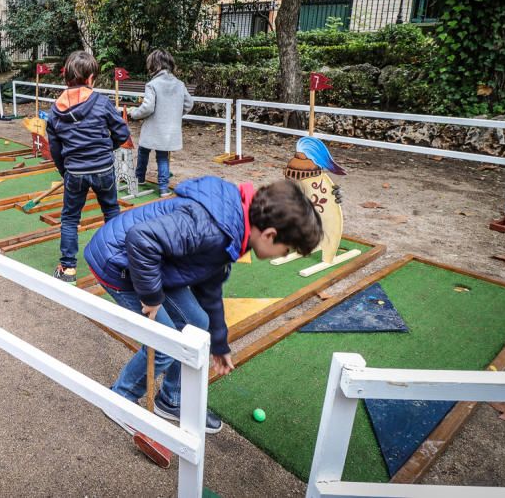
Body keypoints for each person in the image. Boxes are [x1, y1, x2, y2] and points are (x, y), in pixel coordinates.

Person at [84, 177, 322, 434]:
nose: (283, 256)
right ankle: (120, 399)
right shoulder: (211, 227)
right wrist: (151, 297)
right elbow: (141, 240)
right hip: (120, 263)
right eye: (286, 251)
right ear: (270, 235)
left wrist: (219, 344)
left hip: (156, 264)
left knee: (196, 323)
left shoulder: (235, 230)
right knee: (166, 345)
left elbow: (209, 287)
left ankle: (171, 399)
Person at [45, 50, 130, 283]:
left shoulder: (55, 110)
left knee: (70, 218)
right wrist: (106, 148)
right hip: (103, 168)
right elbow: (122, 132)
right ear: (91, 77)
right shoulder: (101, 103)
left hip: (75, 171)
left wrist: (66, 170)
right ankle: (119, 261)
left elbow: (54, 147)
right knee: (111, 211)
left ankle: (68, 268)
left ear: (66, 77)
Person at [128, 48, 193, 198]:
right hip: (170, 129)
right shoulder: (179, 83)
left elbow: (147, 107)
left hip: (152, 128)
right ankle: (163, 188)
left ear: (153, 65)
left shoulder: (153, 84)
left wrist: (134, 113)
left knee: (143, 150)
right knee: (162, 156)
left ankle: (140, 178)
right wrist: (175, 114)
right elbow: (189, 104)